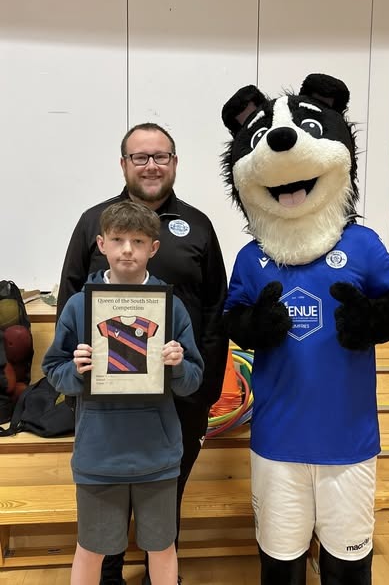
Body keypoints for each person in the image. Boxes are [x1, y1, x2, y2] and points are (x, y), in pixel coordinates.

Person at [56, 122, 229, 585]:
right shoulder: (94, 221)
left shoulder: (198, 225)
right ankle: (109, 576)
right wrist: (77, 382)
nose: (151, 165)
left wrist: (204, 390)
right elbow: (70, 299)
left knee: (164, 504)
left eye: (160, 156)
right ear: (124, 164)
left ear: (174, 163)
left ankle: (159, 577)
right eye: (140, 157)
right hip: (104, 403)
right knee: (102, 524)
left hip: (179, 397)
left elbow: (216, 309)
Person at [42, 201, 204, 585]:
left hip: (157, 456)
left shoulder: (172, 308)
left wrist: (177, 365)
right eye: (117, 240)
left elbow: (192, 380)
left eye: (138, 241)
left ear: (154, 248)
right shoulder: (80, 306)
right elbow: (54, 370)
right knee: (91, 549)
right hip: (99, 456)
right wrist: (76, 371)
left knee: (162, 548)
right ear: (102, 244)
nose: (127, 249)